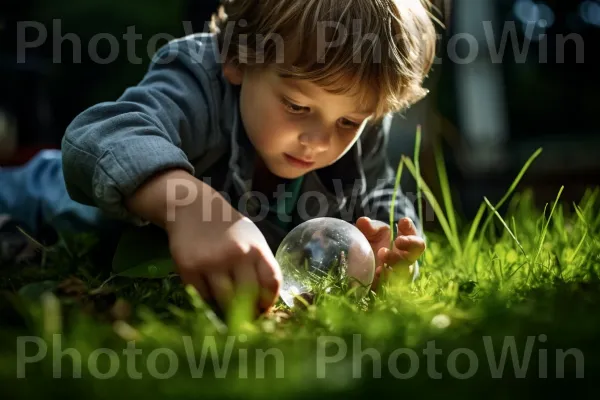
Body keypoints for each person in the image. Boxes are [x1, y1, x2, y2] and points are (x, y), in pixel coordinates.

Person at [0, 0, 435, 314]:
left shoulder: (365, 121)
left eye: (348, 122)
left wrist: (389, 249)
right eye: (297, 106)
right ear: (237, 59)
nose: (319, 140)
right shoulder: (198, 76)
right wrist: (194, 209)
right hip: (59, 201)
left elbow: (380, 193)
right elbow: (102, 134)